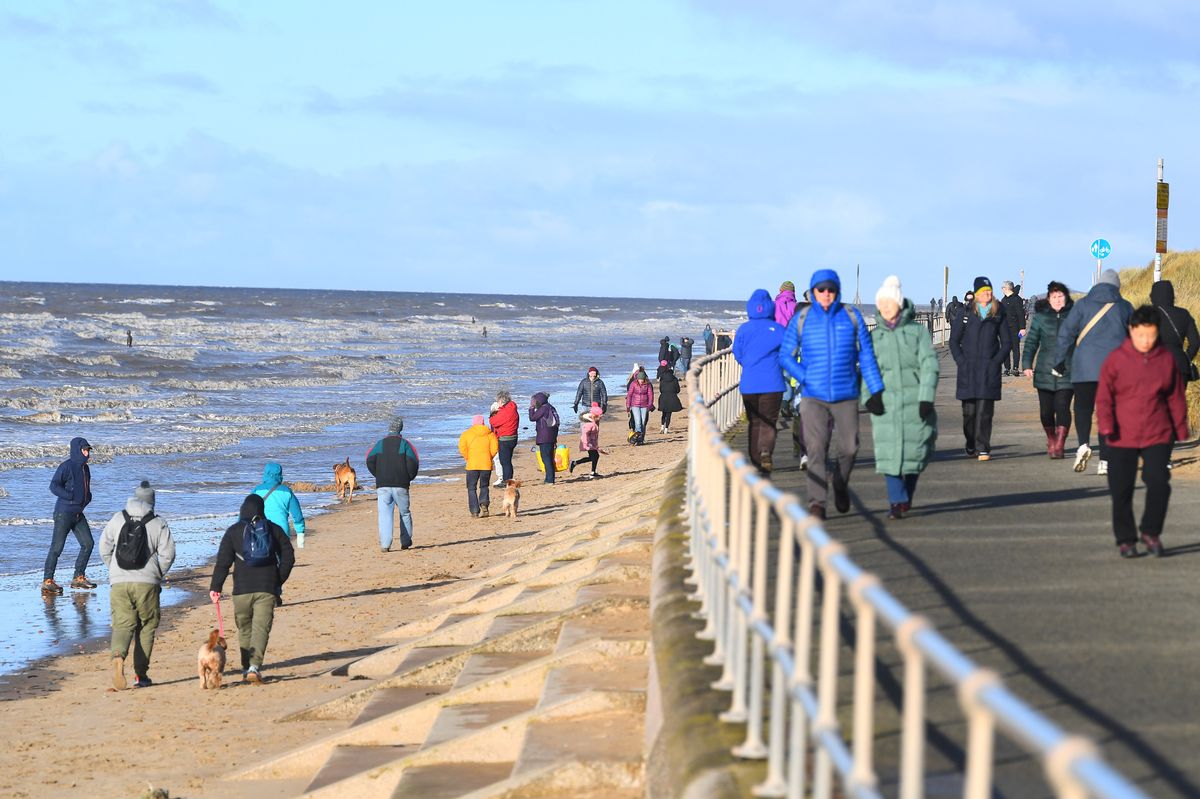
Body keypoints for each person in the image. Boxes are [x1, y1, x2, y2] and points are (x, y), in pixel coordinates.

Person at [778, 270, 884, 517]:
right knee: (815, 448)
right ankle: (817, 503)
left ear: (837, 291)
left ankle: (839, 482)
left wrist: (876, 390)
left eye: (830, 290)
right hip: (813, 395)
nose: (826, 294)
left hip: (845, 393)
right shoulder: (802, 318)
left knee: (849, 448)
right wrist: (804, 376)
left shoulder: (851, 316)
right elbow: (785, 355)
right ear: (813, 292)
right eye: (821, 290)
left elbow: (866, 355)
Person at [1097, 306, 1188, 558]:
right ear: (1131, 331)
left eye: (1151, 335)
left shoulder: (1166, 359)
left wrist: (1180, 427)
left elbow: (1175, 397)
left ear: (1157, 332)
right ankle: (1126, 539)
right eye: (1141, 335)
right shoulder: (1116, 359)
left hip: (1157, 433)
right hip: (1120, 434)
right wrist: (1106, 426)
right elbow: (1104, 398)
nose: (1146, 341)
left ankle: (1151, 531)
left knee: (1160, 484)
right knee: (1121, 489)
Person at [867, 278, 939, 519]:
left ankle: (907, 492)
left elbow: (929, 364)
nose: (886, 307)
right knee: (889, 454)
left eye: (890, 302)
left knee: (916, 453)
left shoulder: (917, 332)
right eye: (881, 303)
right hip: (886, 403)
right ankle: (896, 502)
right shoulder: (875, 336)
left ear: (899, 303)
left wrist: (926, 397)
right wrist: (869, 397)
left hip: (915, 401)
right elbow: (867, 369)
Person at [1051, 268, 1134, 475]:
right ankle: (1105, 460)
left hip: (1084, 368)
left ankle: (1083, 445)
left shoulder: (1082, 305)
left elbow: (1066, 334)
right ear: (1117, 286)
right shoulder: (1125, 307)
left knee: (1083, 409)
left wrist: (1059, 361)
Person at [209, 493, 295, 683]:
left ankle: (246, 667)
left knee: (245, 629)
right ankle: (253, 667)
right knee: (261, 629)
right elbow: (288, 556)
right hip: (266, 588)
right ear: (261, 511)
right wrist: (278, 580)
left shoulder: (234, 531)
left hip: (241, 591)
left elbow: (223, 562)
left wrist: (215, 587)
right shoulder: (273, 529)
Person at [100, 480, 175, 689]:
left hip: (119, 582)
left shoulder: (117, 518)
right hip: (147, 582)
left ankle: (117, 655)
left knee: (122, 624)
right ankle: (140, 675)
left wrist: (114, 570)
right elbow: (168, 554)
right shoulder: (158, 522)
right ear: (152, 501)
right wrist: (157, 574)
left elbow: (104, 548)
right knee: (147, 626)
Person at [949, 277, 1011, 460]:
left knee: (985, 412)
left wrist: (996, 361)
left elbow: (1006, 342)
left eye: (990, 291)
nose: (988, 294)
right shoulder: (965, 313)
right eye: (984, 291)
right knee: (969, 413)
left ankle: (983, 446)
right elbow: (954, 341)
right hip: (968, 369)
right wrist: (961, 361)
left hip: (988, 370)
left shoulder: (998, 313)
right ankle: (970, 442)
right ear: (976, 294)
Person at [734, 288, 787, 474]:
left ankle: (756, 461)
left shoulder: (743, 329)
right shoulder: (779, 329)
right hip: (773, 383)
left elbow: (737, 354)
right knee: (769, 421)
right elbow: (788, 353)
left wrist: (750, 365)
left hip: (749, 384)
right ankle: (765, 451)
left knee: (754, 421)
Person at [1021, 281, 1075, 458]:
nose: (1058, 300)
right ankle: (1051, 437)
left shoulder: (1075, 316)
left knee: (1062, 407)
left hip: (1068, 370)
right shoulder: (1041, 317)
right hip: (1045, 369)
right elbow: (1031, 342)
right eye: (1054, 297)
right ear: (1049, 299)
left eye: (1061, 296)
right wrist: (1027, 364)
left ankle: (1059, 443)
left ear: (1066, 298)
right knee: (1046, 411)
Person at [44, 436, 97, 595]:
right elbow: (53, 486)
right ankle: (48, 581)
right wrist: (70, 496)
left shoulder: (85, 469)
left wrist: (87, 498)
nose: (87, 453)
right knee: (57, 548)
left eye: (88, 450)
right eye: (84, 450)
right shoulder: (66, 466)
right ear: (76, 450)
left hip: (78, 514)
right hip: (64, 513)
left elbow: (85, 490)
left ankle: (78, 578)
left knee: (88, 543)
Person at [366, 416, 420, 552]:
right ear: (400, 429)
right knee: (405, 513)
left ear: (389, 429)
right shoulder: (405, 444)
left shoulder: (380, 444)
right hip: (401, 484)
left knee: (385, 515)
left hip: (383, 485)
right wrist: (408, 477)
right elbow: (414, 463)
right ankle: (406, 542)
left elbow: (369, 460)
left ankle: (385, 545)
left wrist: (378, 475)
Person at [1150, 280, 1200, 383]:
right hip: (1180, 367)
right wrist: (1186, 357)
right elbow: (1195, 342)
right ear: (1171, 295)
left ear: (1154, 295)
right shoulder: (1184, 314)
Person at [253, 462, 306, 549]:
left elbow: (246, 510)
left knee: (262, 558)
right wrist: (300, 534)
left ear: (265, 474)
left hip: (261, 531)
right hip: (282, 532)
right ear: (280, 475)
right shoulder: (287, 491)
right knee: (281, 560)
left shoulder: (257, 490)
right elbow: (297, 515)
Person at [458, 414, 499, 517]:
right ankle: (484, 503)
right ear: (483, 422)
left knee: (471, 488)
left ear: (473, 423)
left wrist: (468, 457)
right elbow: (494, 449)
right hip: (486, 464)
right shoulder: (490, 434)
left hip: (472, 464)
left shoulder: (466, 434)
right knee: (484, 486)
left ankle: (474, 511)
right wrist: (489, 457)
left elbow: (462, 448)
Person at [529, 392, 560, 483]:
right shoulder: (550, 407)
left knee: (546, 458)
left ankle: (550, 479)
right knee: (549, 457)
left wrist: (531, 408)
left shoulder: (543, 408)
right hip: (551, 435)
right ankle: (549, 478)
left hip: (544, 437)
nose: (533, 402)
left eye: (534, 401)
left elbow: (532, 418)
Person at [490, 390, 519, 487]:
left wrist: (493, 412)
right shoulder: (512, 408)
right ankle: (508, 480)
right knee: (507, 461)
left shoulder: (505, 411)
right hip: (512, 437)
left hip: (505, 439)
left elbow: (493, 422)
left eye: (498, 401)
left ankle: (507, 481)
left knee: (505, 462)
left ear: (501, 401)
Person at [570, 403, 607, 478]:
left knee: (593, 457)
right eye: (599, 415)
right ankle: (592, 472)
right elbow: (585, 434)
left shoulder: (595, 423)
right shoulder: (590, 424)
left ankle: (575, 463)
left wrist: (596, 446)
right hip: (588, 444)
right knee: (595, 456)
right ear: (594, 416)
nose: (601, 417)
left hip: (592, 444)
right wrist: (587, 444)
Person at [1000, 281, 1027, 376]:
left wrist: (1022, 328)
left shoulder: (1017, 299)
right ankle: (1007, 368)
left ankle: (1015, 368)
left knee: (1015, 348)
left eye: (1002, 287)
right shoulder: (1003, 300)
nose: (1001, 289)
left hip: (1015, 328)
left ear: (1006, 288)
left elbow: (1021, 314)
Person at [626, 370, 655, 445]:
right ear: (637, 379)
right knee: (638, 422)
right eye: (639, 379)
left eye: (642, 379)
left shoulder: (648, 384)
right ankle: (638, 439)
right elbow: (629, 395)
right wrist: (628, 406)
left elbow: (650, 395)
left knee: (643, 422)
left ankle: (640, 438)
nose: (641, 381)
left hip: (644, 405)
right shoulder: (633, 384)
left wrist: (650, 405)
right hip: (635, 405)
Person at [658, 361, 684, 434]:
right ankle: (666, 429)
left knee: (663, 413)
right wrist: (673, 392)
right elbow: (678, 390)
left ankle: (662, 426)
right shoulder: (675, 379)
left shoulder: (662, 379)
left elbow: (661, 389)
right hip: (672, 397)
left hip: (663, 397)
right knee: (669, 414)